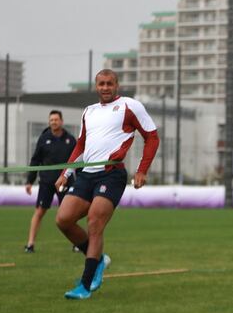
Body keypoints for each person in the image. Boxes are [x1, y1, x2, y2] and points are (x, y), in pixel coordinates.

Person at [54, 69, 159, 300]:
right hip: (86, 175)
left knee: (94, 223)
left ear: (117, 85)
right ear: (96, 86)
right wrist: (65, 173)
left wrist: (142, 170)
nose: (105, 87)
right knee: (63, 219)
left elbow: (152, 136)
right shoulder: (88, 111)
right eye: (101, 84)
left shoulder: (129, 106)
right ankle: (99, 260)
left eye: (109, 83)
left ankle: (85, 283)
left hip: (111, 175)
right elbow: (80, 145)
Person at [23, 110, 76, 253]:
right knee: (39, 212)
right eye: (51, 120)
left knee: (69, 214)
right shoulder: (43, 139)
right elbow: (35, 160)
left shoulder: (70, 140)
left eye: (56, 119)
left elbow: (77, 161)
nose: (54, 122)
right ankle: (30, 244)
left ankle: (76, 243)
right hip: (46, 182)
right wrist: (30, 181)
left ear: (61, 121)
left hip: (65, 183)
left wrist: (81, 181)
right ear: (49, 122)